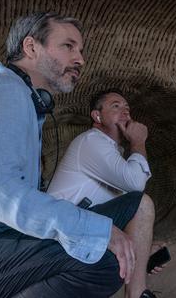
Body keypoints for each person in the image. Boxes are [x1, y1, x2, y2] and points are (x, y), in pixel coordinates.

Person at [0, 12, 156, 298]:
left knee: (119, 224)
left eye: (81, 50)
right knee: (104, 259)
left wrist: (127, 240)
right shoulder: (4, 92)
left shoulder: (24, 104)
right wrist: (101, 234)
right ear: (31, 47)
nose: (80, 59)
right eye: (68, 46)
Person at [48, 89, 164, 298]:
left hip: (82, 232)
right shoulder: (92, 141)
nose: (125, 112)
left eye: (127, 109)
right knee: (141, 204)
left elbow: (123, 221)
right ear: (97, 116)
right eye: (116, 106)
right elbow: (136, 184)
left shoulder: (113, 154)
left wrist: (144, 251)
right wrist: (138, 142)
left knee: (137, 239)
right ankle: (137, 295)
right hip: (61, 235)